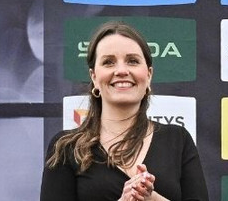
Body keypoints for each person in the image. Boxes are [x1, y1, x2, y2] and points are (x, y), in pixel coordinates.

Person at [41, 21, 209, 201]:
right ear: (94, 77)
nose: (121, 70)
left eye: (132, 61)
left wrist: (150, 198)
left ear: (149, 75)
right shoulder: (66, 148)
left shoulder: (178, 140)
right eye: (108, 62)